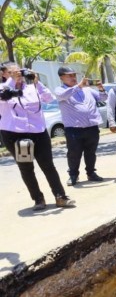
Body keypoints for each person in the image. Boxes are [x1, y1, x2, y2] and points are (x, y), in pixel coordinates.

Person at [0, 63, 75, 210]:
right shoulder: (4, 88)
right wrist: (12, 81)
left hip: (38, 132)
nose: (17, 74)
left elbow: (49, 98)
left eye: (19, 71)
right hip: (16, 135)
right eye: (11, 72)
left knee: (48, 166)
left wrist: (37, 81)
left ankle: (60, 196)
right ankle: (38, 199)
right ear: (4, 74)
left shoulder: (31, 88)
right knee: (27, 168)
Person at [54, 67, 107, 186]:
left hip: (91, 127)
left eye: (74, 75)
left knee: (91, 152)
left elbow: (103, 98)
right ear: (61, 78)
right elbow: (63, 96)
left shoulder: (87, 89)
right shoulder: (60, 90)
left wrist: (100, 88)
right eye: (69, 75)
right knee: (74, 153)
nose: (73, 77)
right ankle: (73, 175)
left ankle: (91, 173)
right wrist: (78, 86)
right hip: (74, 129)